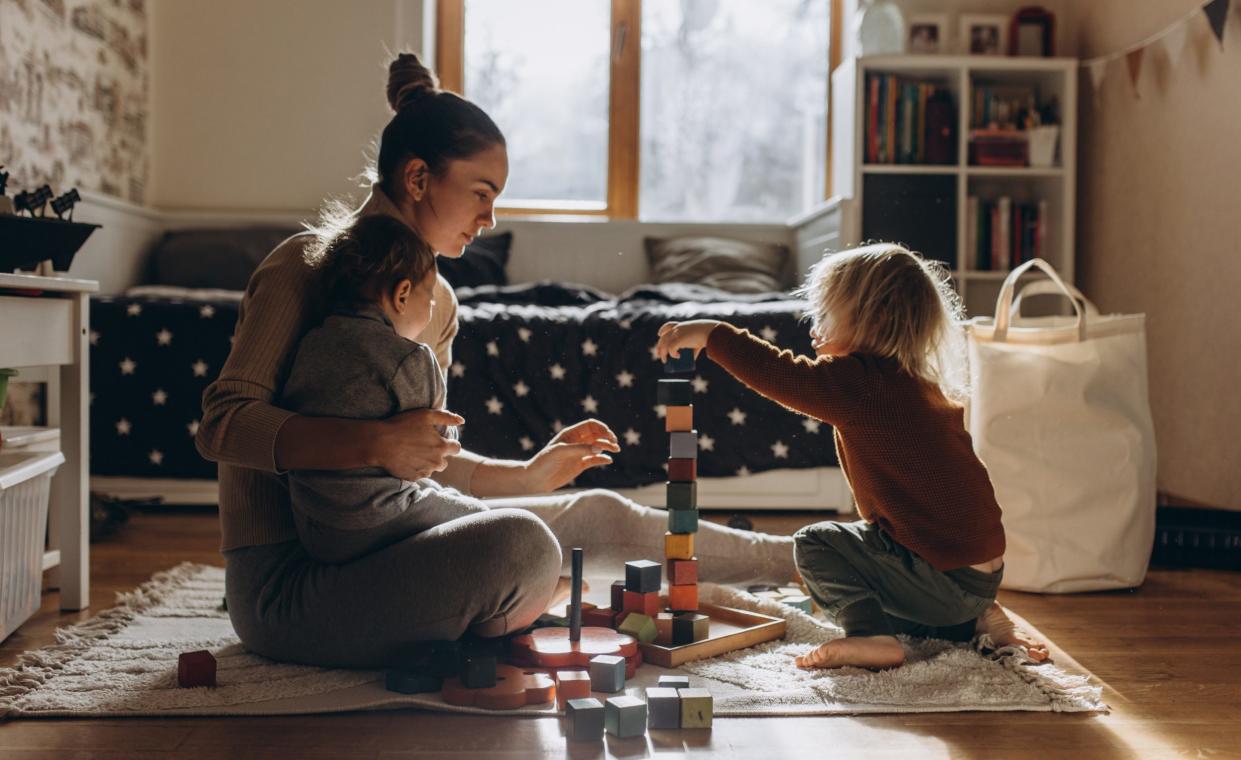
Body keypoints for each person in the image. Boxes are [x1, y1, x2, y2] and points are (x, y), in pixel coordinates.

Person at [196, 53, 797, 669]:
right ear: (418, 178)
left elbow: (424, 459)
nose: (489, 220)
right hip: (290, 585)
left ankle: (803, 561)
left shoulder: (440, 303)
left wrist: (527, 476)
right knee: (519, 548)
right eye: (481, 194)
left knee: (595, 512)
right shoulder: (303, 265)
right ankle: (501, 608)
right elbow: (222, 425)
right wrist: (373, 443)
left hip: (393, 539)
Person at [655, 242, 1050, 670]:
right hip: (979, 575)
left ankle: (871, 636)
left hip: (944, 575)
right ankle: (973, 618)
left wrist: (713, 333)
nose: (813, 328)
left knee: (816, 543)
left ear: (872, 320)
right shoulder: (916, 383)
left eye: (825, 316)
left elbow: (781, 373)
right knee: (872, 566)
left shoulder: (860, 383)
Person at [281, 214, 489, 565]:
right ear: (402, 294)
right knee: (487, 521)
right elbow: (437, 442)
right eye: (431, 301)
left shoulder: (311, 342)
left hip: (316, 527)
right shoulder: (409, 357)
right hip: (379, 516)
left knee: (432, 496)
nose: (432, 311)